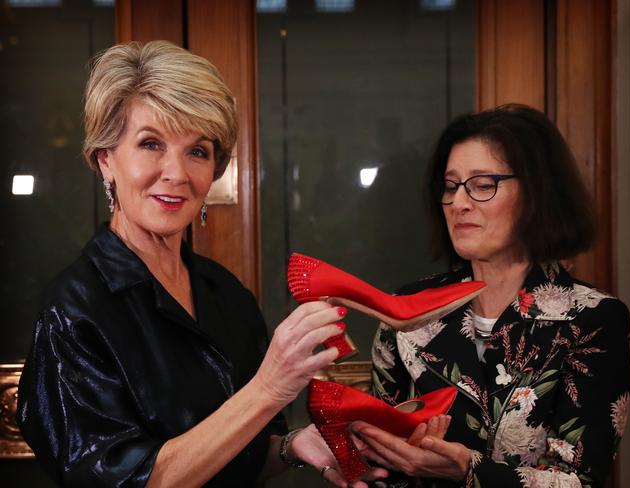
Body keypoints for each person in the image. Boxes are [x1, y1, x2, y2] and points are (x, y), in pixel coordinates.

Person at [17, 40, 386, 488]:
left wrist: (289, 447)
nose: (176, 173)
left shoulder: (225, 293)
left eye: (198, 151)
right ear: (106, 160)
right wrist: (268, 389)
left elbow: (236, 458)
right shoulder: (73, 309)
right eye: (151, 143)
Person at [354, 104, 630, 487]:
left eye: (483, 185)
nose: (459, 203)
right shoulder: (407, 310)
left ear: (537, 193)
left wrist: (470, 471)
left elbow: (580, 479)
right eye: (451, 187)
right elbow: (381, 456)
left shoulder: (592, 318)